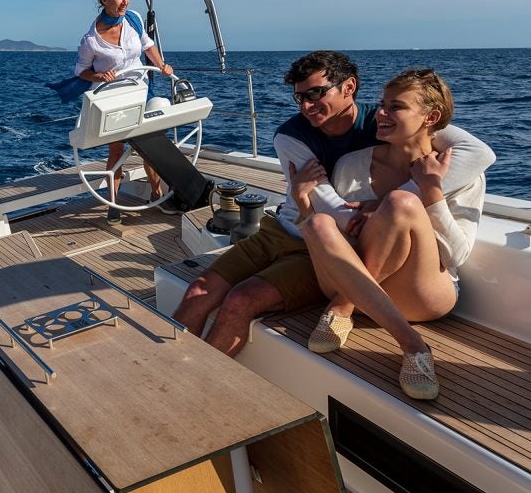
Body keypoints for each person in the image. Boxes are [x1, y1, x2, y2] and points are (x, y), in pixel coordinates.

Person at [171, 51, 494, 368]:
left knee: (240, 300)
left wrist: (393, 203)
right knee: (198, 289)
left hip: (320, 252)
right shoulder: (294, 137)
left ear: (349, 87)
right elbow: (326, 204)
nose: (307, 106)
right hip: (289, 226)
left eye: (316, 93)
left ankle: (201, 382)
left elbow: (477, 152)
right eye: (300, 98)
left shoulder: (380, 121)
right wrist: (365, 210)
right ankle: (164, 373)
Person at [292, 68, 485, 400]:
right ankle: (409, 342)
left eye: (396, 107)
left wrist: (431, 192)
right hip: (356, 283)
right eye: (381, 104)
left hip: (420, 295)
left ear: (431, 117)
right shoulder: (351, 165)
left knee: (401, 202)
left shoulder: (456, 173)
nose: (379, 113)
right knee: (317, 224)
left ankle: (354, 312)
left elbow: (455, 256)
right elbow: (335, 241)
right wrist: (302, 202)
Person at [75, 0, 175, 222]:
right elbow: (80, 71)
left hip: (141, 89)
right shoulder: (91, 40)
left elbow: (147, 46)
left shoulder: (134, 19)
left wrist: (162, 65)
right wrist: (98, 76)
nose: (125, 2)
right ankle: (114, 203)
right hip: (113, 98)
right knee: (117, 150)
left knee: (148, 144)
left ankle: (156, 194)